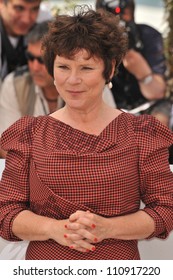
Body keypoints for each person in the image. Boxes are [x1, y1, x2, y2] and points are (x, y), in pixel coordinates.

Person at [0, 5, 173, 260]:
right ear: (52, 70)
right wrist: (55, 229)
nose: (72, 80)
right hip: (44, 270)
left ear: (110, 69)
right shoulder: (29, 134)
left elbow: (165, 210)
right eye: (63, 67)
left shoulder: (142, 134)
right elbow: (7, 213)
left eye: (86, 68)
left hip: (118, 271)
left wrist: (108, 228)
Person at [95, 0, 172, 127]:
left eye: (123, 19)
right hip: (110, 107)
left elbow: (156, 93)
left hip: (149, 105)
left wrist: (141, 71)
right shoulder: (93, 43)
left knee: (159, 123)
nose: (119, 26)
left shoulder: (149, 37)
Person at [0, 20, 64, 159]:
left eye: (42, 60)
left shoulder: (88, 83)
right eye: (30, 57)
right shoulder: (15, 83)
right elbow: (7, 148)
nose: (34, 67)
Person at [0, 0, 46, 84]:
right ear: (1, 3)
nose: (26, 19)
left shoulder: (44, 23)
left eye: (35, 9)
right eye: (19, 8)